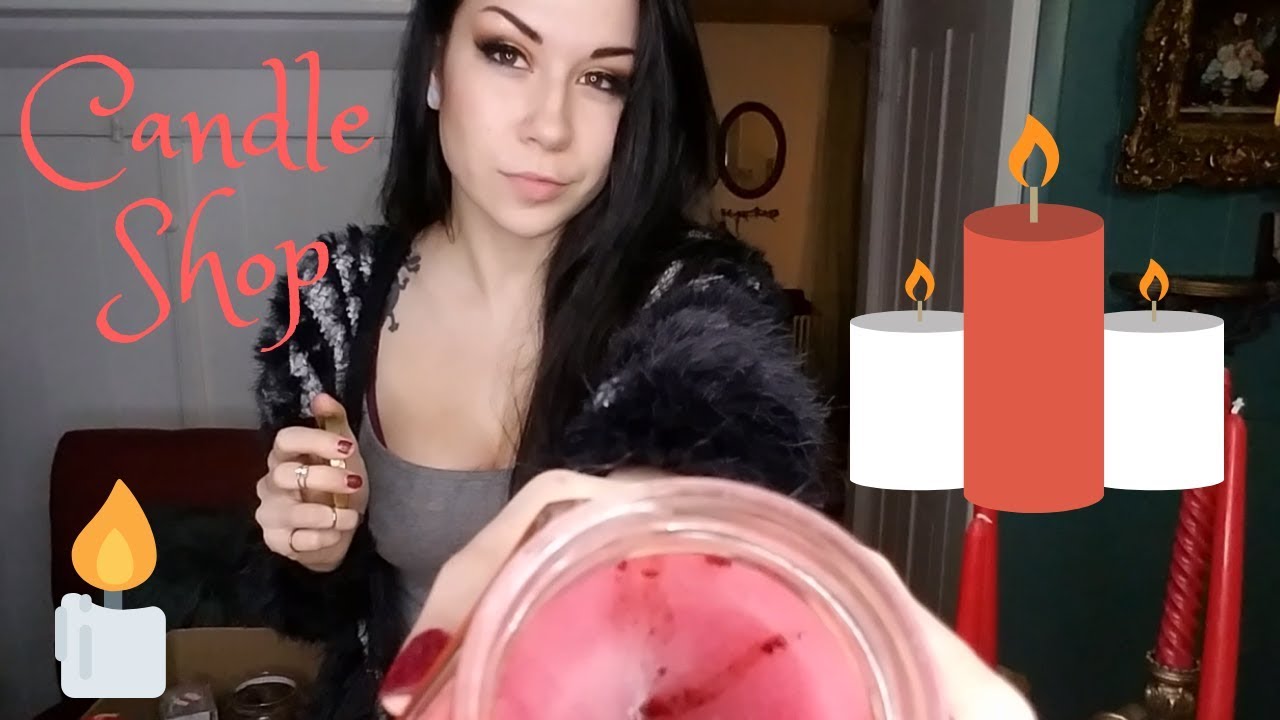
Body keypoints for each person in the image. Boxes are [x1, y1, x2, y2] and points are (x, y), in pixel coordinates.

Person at [242, 0, 1035, 718]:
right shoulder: (334, 298)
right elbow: (327, 608)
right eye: (508, 53)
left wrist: (655, 514)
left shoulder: (694, 289)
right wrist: (316, 547)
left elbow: (721, 413)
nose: (550, 126)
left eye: (602, 80)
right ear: (436, 65)